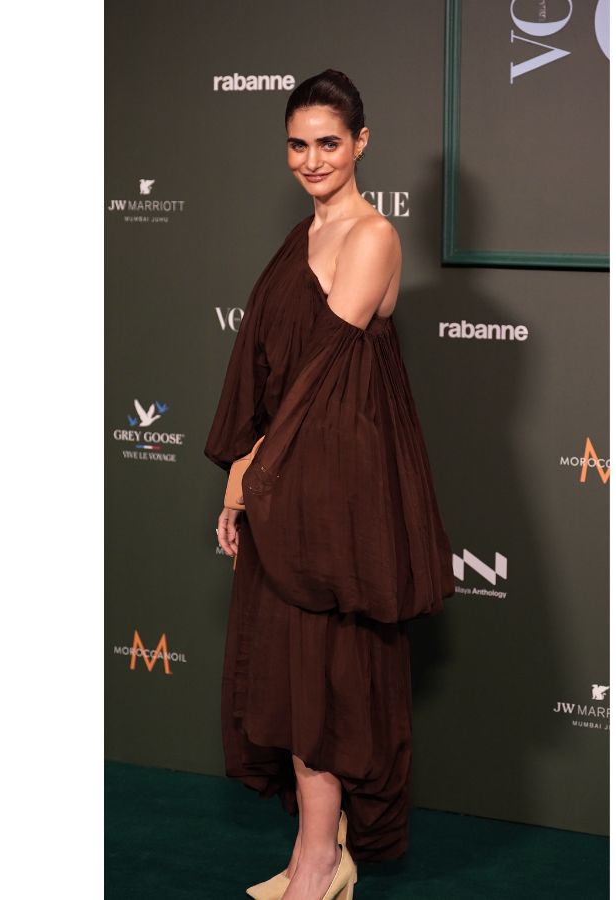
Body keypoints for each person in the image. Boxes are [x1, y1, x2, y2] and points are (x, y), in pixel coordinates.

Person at [204, 68, 454, 900]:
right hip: (285, 474)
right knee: (290, 675)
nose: (312, 160)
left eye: (329, 143)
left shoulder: (371, 236)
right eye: (298, 144)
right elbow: (266, 373)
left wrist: (247, 476)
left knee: (325, 677)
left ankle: (322, 863)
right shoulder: (299, 237)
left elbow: (317, 381)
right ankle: (315, 850)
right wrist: (243, 475)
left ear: (361, 143)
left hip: (335, 488)